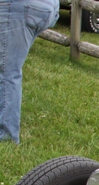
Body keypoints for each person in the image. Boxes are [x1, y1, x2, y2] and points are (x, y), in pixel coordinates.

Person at [0, 0, 59, 144]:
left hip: (19, 6)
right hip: (47, 7)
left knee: (8, 72)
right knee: (8, 65)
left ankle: (7, 136)